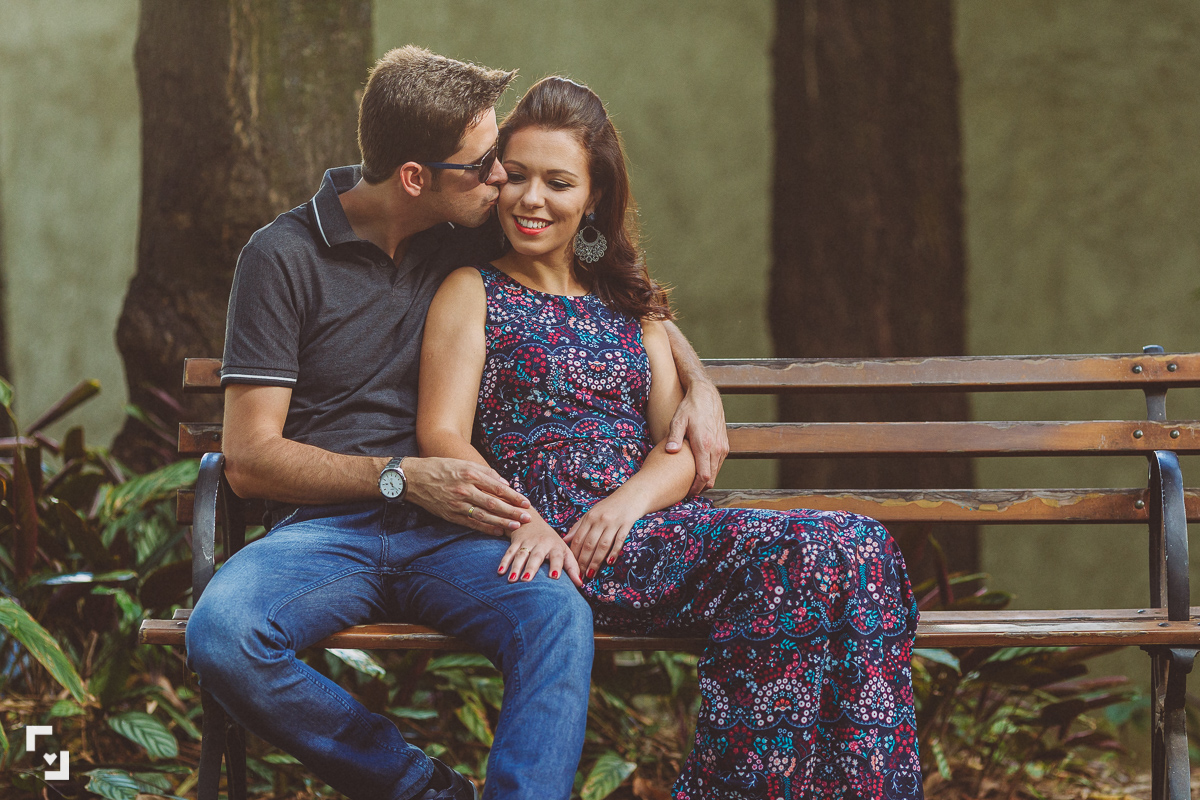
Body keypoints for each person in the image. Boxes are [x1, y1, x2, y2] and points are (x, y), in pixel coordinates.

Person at [185, 48, 729, 800]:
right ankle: (419, 789)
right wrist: (400, 476)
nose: (504, 182)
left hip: (459, 534)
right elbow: (247, 460)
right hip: (325, 534)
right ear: (417, 177)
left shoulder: (466, 227)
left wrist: (699, 381)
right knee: (221, 633)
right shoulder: (282, 258)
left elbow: (604, 290)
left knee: (554, 614)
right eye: (486, 165)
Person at [417, 76, 924, 800]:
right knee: (803, 549)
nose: (531, 200)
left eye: (558, 183)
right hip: (560, 539)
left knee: (860, 543)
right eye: (517, 177)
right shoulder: (471, 289)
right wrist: (527, 520)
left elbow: (678, 448)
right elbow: (440, 432)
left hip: (644, 528)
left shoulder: (628, 304)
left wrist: (624, 505)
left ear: (593, 197)